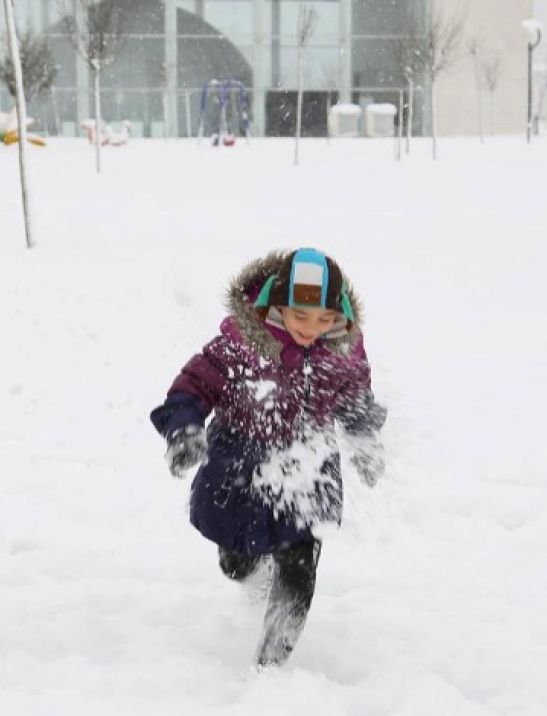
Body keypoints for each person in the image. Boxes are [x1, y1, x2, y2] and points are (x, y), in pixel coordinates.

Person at [149, 248, 386, 668]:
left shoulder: (345, 349)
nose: (312, 329)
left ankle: (273, 664)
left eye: (325, 319)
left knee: (300, 564)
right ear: (276, 305)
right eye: (301, 316)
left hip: (308, 463)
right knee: (236, 563)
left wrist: (364, 438)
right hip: (240, 462)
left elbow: (355, 400)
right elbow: (193, 385)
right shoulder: (242, 343)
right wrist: (184, 427)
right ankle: (250, 570)